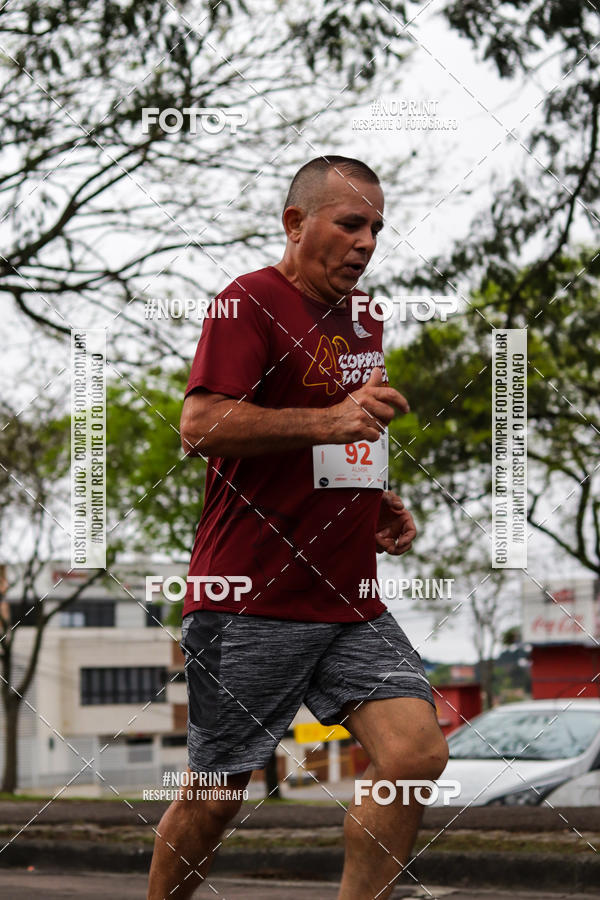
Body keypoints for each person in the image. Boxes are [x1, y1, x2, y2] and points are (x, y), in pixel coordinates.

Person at [147, 156, 449, 900]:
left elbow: (346, 433)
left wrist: (376, 493)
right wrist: (328, 421)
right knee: (215, 800)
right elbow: (200, 423)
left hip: (348, 600)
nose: (367, 240)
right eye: (350, 223)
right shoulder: (247, 303)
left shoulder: (364, 320)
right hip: (249, 597)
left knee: (415, 756)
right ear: (296, 223)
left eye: (377, 227)